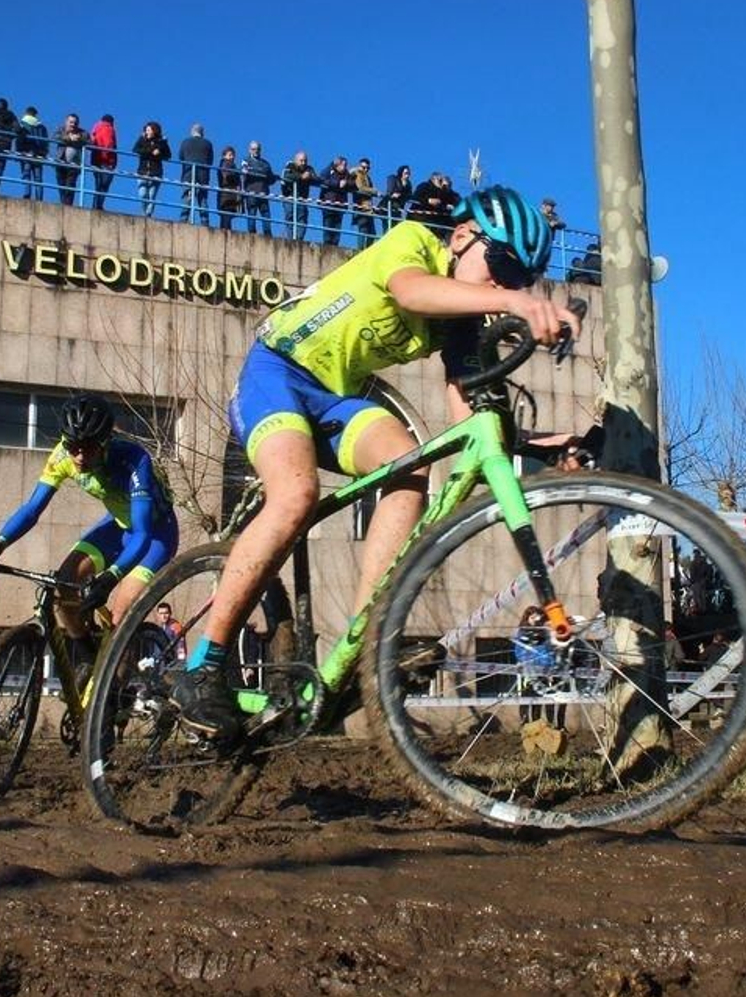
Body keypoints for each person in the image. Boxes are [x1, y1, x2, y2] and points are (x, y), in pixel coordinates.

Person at [170, 186, 577, 746]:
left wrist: (541, 445)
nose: (506, 286)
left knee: (409, 467)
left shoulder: (457, 321)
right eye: (503, 266)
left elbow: (471, 419)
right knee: (295, 496)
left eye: (519, 280)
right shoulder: (412, 244)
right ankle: (204, 665)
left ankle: (365, 641)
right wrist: (516, 304)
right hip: (277, 374)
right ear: (461, 237)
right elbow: (411, 291)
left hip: (337, 399)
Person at [0, 394, 180, 679]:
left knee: (120, 614)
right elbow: (31, 510)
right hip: (116, 527)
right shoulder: (63, 456)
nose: (78, 457)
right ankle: (90, 659)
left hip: (154, 536)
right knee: (64, 588)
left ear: (105, 443)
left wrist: (111, 577)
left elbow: (142, 533)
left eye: (88, 448)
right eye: (72, 446)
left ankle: (116, 692)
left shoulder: (134, 461)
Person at [177, 123, 214, 225]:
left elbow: (181, 157)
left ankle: (184, 219)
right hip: (203, 175)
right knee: (202, 198)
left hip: (188, 173)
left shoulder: (185, 142)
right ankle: (205, 221)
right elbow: (210, 161)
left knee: (187, 197)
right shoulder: (208, 144)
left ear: (192, 131)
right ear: (202, 133)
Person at [133, 121, 170, 217]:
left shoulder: (161, 142)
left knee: (151, 196)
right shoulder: (142, 139)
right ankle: (144, 212)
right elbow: (135, 149)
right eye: (146, 130)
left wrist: (160, 151)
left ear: (154, 131)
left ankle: (148, 214)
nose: (147, 132)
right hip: (142, 171)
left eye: (149, 130)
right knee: (142, 194)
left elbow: (168, 155)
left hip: (156, 172)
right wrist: (150, 151)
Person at [280, 150, 319, 240]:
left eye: (305, 161)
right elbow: (286, 176)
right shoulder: (289, 166)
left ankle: (299, 239)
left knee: (302, 220)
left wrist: (310, 177)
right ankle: (290, 239)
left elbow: (317, 179)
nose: (303, 163)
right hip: (289, 197)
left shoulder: (309, 169)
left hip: (302, 199)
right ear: (295, 160)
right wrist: (300, 177)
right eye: (301, 161)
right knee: (290, 218)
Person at [240, 141, 275, 236]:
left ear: (260, 150)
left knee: (266, 216)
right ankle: (252, 236)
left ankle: (268, 236)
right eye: (253, 149)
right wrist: (243, 190)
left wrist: (274, 177)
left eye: (258, 149)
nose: (256, 151)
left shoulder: (265, 164)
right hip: (251, 194)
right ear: (249, 150)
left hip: (263, 194)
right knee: (251, 215)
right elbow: (242, 176)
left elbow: (271, 179)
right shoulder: (246, 161)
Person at [56, 113, 90, 206]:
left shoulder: (83, 133)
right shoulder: (61, 130)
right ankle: (63, 203)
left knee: (70, 185)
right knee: (61, 184)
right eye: (71, 122)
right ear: (66, 122)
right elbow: (55, 137)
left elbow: (90, 143)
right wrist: (68, 138)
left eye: (75, 123)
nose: (73, 125)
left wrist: (79, 139)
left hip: (74, 164)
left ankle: (68, 204)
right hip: (60, 162)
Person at [318, 157, 353, 246]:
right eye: (343, 165)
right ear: (337, 164)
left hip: (340, 205)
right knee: (328, 225)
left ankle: (335, 245)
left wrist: (346, 183)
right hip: (328, 203)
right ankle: (327, 245)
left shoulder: (346, 174)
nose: (345, 167)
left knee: (337, 227)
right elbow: (322, 179)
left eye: (346, 165)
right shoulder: (328, 171)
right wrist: (337, 183)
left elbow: (353, 184)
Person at [16, 106, 49, 201]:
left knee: (26, 174)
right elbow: (45, 141)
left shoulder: (22, 124)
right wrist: (44, 153)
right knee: (38, 177)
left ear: (26, 113)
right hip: (38, 154)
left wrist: (19, 151)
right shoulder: (41, 126)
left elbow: (19, 139)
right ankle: (39, 197)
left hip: (25, 152)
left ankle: (27, 194)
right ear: (35, 114)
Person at [87, 114, 116, 209]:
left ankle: (95, 205)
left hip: (95, 159)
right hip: (106, 161)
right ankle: (98, 205)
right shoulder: (109, 128)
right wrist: (111, 160)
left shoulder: (95, 129)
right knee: (104, 185)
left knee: (98, 184)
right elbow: (109, 143)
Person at [351, 158, 378, 248]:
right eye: (364, 167)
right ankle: (360, 251)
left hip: (368, 207)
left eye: (368, 168)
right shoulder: (357, 174)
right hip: (361, 206)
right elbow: (361, 187)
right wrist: (374, 191)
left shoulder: (367, 177)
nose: (365, 169)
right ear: (359, 166)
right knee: (363, 229)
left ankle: (366, 251)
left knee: (372, 232)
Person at [215, 146, 243, 231]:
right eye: (230, 155)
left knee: (227, 217)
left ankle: (225, 232)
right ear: (224, 156)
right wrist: (238, 173)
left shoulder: (230, 165)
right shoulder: (225, 164)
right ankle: (225, 234)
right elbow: (227, 176)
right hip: (227, 195)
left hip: (229, 195)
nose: (232, 157)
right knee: (226, 217)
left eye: (233, 155)